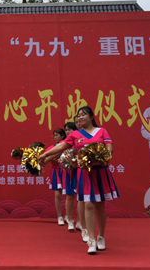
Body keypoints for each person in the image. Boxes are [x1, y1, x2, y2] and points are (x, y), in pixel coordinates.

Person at [39, 106, 119, 255]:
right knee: (88, 204)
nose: (80, 117)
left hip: (100, 171)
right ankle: (91, 239)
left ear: (91, 116)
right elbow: (61, 146)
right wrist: (45, 155)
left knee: (100, 206)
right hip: (85, 173)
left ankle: (101, 236)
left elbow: (109, 147)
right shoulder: (75, 134)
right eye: (78, 115)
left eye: (83, 114)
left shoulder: (101, 131)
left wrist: (104, 155)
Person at [44, 128, 66, 225]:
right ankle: (59, 216)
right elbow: (46, 157)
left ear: (62, 136)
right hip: (56, 172)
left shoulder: (65, 145)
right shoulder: (51, 148)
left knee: (69, 195)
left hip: (66, 171)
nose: (55, 137)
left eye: (57, 135)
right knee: (57, 195)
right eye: (54, 135)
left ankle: (68, 216)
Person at [62, 122, 80, 232]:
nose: (68, 132)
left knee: (80, 197)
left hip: (80, 171)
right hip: (69, 172)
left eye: (69, 129)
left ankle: (80, 221)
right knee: (69, 196)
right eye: (66, 130)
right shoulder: (65, 143)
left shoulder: (80, 141)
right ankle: (70, 220)